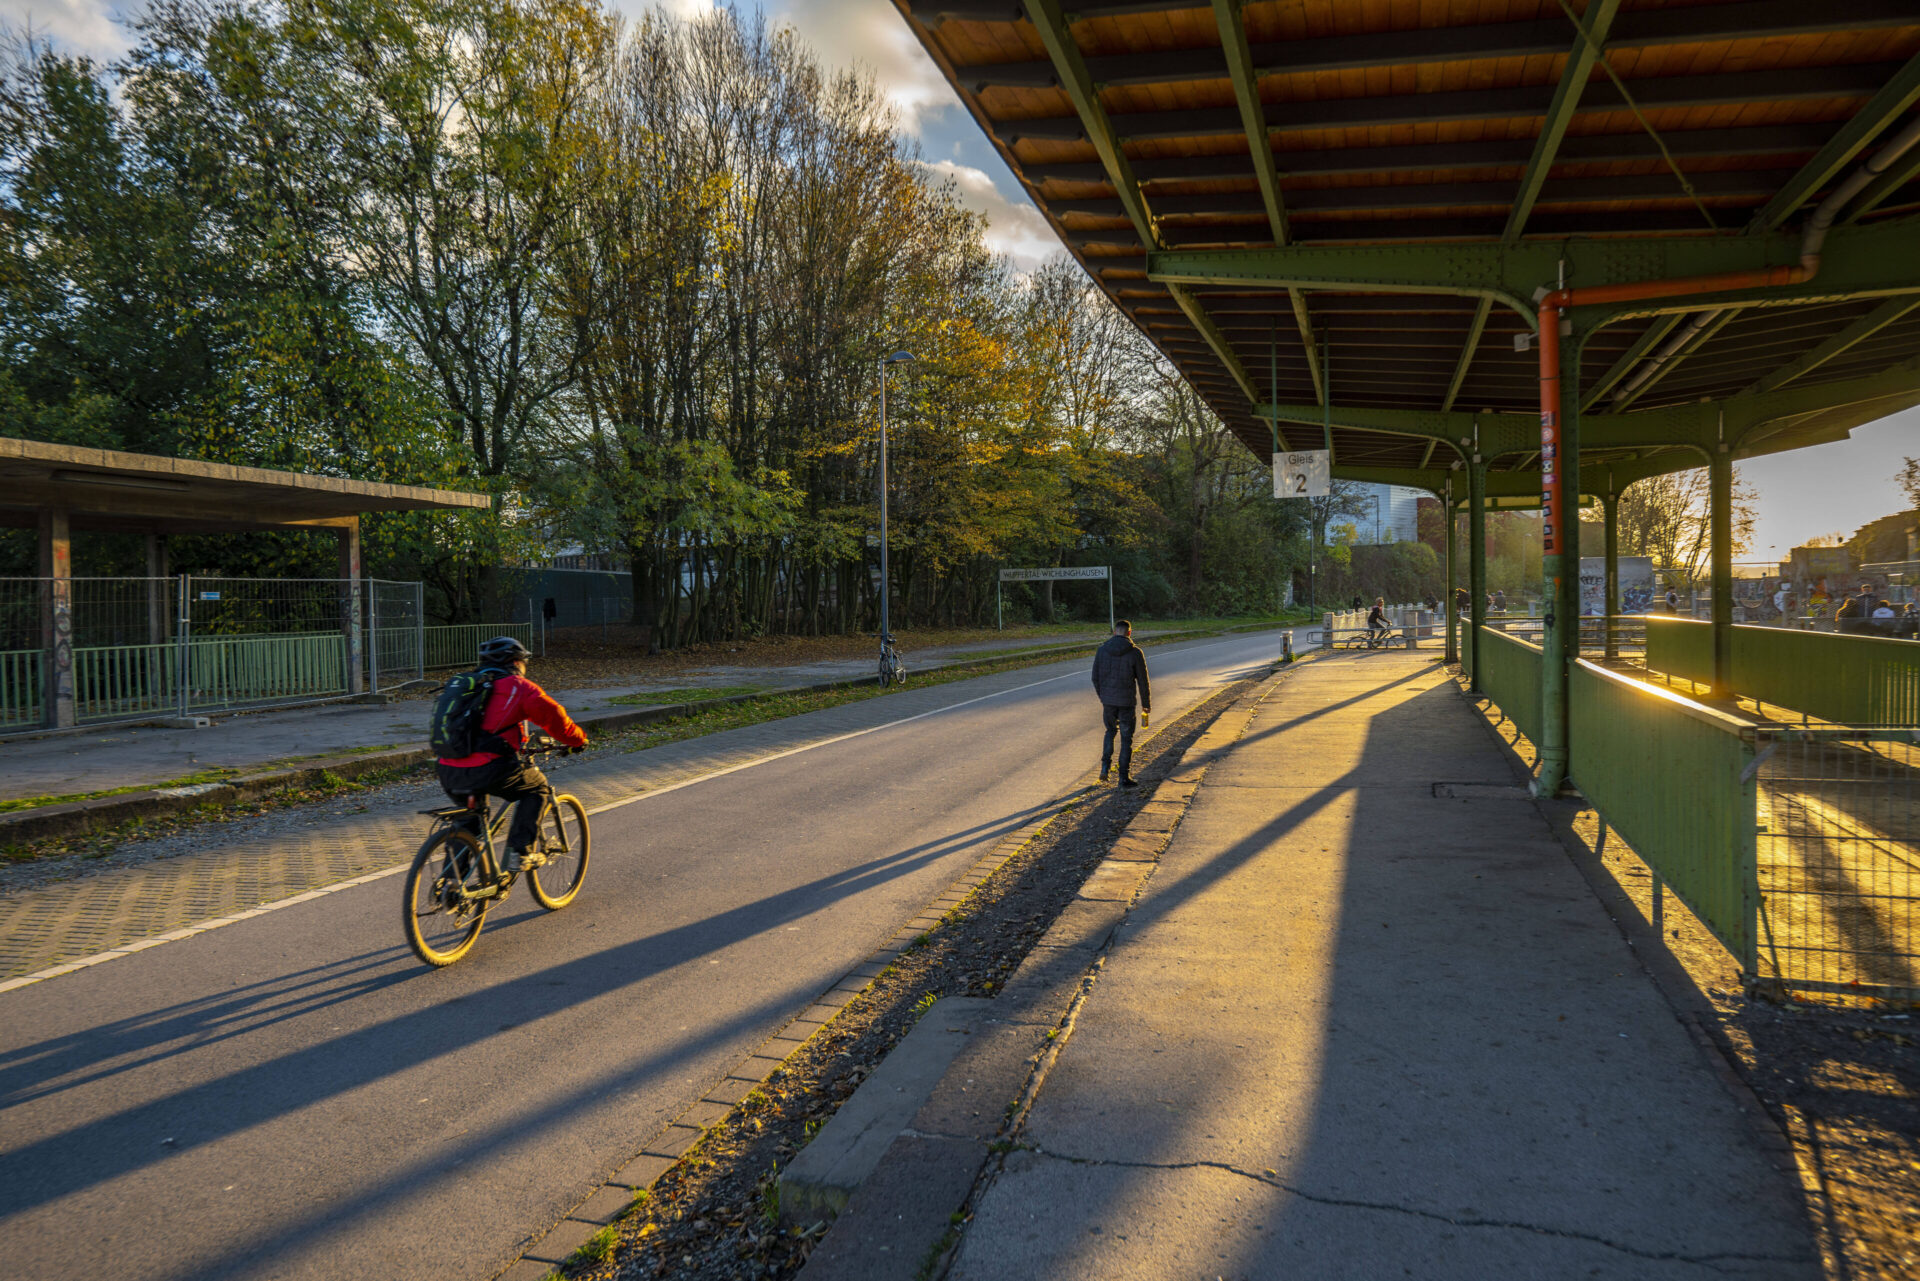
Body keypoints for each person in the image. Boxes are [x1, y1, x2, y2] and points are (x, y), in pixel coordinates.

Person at [436, 636, 589, 870]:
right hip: (489, 768)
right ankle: (521, 851)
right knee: (537, 789)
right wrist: (579, 739)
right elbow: (555, 718)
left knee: (469, 821)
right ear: (516, 662)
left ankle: (452, 886)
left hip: (449, 768)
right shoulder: (518, 687)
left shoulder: (464, 685)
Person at [1091, 619, 1151, 789]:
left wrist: (1103, 697)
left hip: (1108, 702)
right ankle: (1124, 777)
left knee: (1110, 731)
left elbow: (1095, 678)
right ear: (1129, 633)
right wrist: (1146, 704)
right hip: (1126, 702)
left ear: (1114, 632)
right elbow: (1143, 682)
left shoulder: (1102, 650)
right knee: (1126, 739)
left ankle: (1105, 767)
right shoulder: (1135, 653)